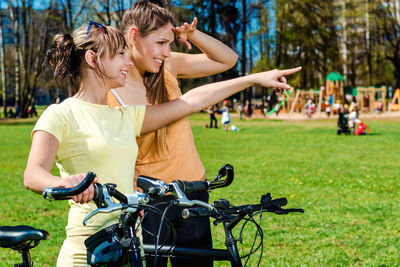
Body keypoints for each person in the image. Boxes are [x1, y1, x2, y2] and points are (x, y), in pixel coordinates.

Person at [23, 21, 301, 267]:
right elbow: (33, 174)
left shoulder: (124, 117)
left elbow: (191, 101)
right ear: (93, 59)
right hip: (88, 248)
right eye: (120, 55)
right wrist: (69, 184)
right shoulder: (60, 114)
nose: (127, 62)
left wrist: (253, 78)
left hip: (131, 242)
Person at [106, 2, 236, 266]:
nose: (167, 51)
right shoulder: (112, 85)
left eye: (170, 44)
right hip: (150, 203)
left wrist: (193, 36)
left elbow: (228, 60)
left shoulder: (168, 65)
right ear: (133, 36)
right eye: (161, 42)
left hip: (193, 192)